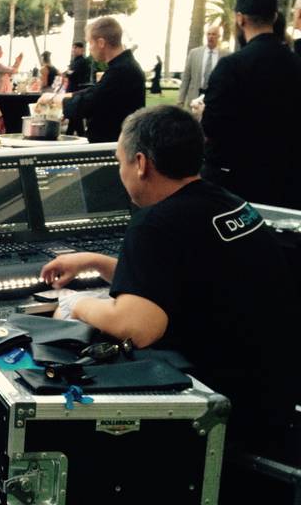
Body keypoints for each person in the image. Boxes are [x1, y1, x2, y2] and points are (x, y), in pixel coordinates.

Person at [39, 105, 298, 468]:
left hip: (229, 408)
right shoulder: (225, 203)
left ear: (141, 163)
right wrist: (95, 262)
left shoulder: (156, 224)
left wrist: (74, 303)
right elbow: (178, 281)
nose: (121, 172)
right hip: (276, 392)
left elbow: (138, 326)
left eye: (120, 162)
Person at [201, 0, 301, 209]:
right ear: (275, 17)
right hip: (289, 184)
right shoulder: (296, 64)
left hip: (238, 185)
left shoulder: (231, 67)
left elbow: (212, 127)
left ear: (240, 19)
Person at [38, 17, 145, 143]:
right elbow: (97, 91)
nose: (90, 49)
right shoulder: (123, 66)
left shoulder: (123, 70)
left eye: (90, 43)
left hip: (114, 146)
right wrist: (63, 96)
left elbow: (90, 102)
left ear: (101, 43)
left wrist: (53, 99)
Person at [177, 25, 226, 110]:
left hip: (216, 99)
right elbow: (186, 78)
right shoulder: (194, 53)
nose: (210, 37)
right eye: (208, 34)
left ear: (219, 37)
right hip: (195, 98)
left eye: (214, 34)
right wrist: (180, 102)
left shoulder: (225, 55)